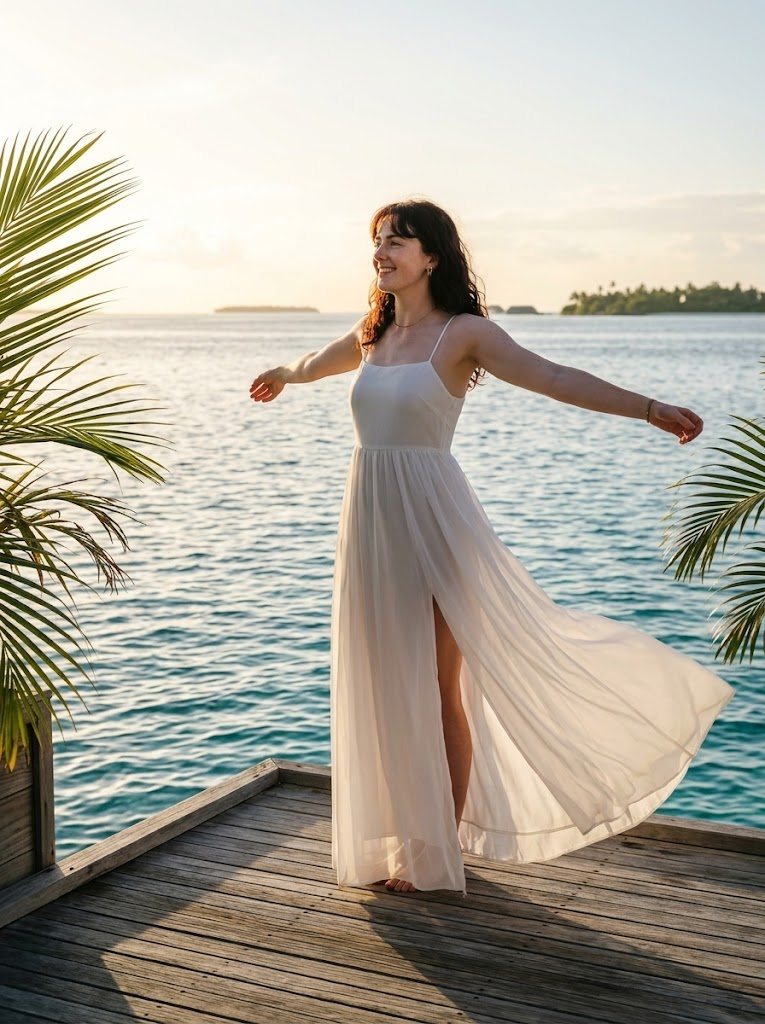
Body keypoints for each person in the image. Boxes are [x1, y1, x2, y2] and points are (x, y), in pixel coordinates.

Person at [249, 199, 735, 898]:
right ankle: (396, 835)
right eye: (377, 241)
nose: (382, 252)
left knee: (438, 688)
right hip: (371, 526)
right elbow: (310, 364)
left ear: (431, 257)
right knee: (383, 684)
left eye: (397, 241)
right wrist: (280, 373)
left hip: (435, 524)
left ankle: (435, 847)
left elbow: (554, 377)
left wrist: (647, 407)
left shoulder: (464, 333)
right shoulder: (370, 333)